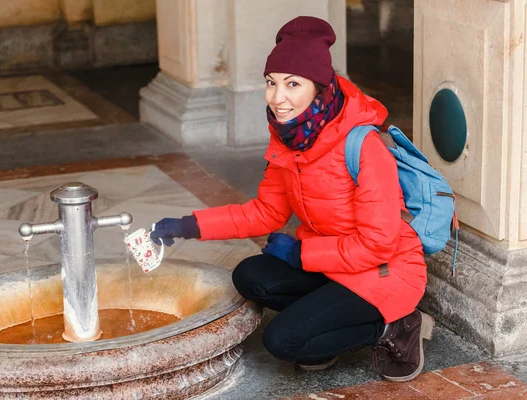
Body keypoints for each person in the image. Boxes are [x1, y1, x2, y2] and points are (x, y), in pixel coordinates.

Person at [150, 15, 433, 383]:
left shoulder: (363, 147)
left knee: (283, 340)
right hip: (334, 265)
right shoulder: (291, 138)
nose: (277, 98)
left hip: (384, 273)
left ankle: (393, 329)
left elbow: (378, 245)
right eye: (271, 83)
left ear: (319, 88)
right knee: (250, 276)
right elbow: (267, 212)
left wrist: (301, 255)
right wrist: (189, 225)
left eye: (292, 84)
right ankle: (325, 329)